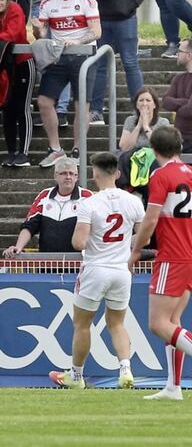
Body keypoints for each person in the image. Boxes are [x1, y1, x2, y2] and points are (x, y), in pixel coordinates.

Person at [129, 126, 192, 401]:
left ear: (153, 149)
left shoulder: (161, 175)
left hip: (173, 256)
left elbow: (150, 219)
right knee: (173, 322)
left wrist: (136, 250)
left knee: (158, 323)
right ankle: (174, 386)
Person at [48, 152, 145, 390]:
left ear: (94, 173)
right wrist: (122, 243)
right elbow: (144, 235)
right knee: (117, 323)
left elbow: (79, 243)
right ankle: (125, 370)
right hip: (121, 270)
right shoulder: (133, 201)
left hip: (95, 269)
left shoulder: (89, 202)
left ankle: (77, 376)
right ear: (118, 173)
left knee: (82, 324)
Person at [34, 0, 101, 168]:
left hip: (84, 54)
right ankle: (55, 149)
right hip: (59, 55)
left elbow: (97, 31)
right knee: (44, 101)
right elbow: (42, 33)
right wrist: (37, 30)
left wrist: (78, 41)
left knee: (82, 105)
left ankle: (77, 149)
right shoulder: (47, 2)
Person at [4, 157, 92, 257]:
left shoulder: (87, 197)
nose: (68, 177)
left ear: (76, 177)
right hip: (47, 263)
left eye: (71, 174)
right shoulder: (44, 196)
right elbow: (30, 226)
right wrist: (18, 247)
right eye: (63, 173)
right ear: (55, 176)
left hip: (78, 263)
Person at [0, 0, 35, 168]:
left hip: (22, 63)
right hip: (4, 66)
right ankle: (12, 152)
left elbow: (11, 34)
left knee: (22, 108)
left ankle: (25, 153)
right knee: (7, 110)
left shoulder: (15, 9)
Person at [119, 86, 171, 151]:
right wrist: (138, 126)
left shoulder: (163, 122)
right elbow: (124, 148)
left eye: (148, 100)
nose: (144, 104)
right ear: (137, 105)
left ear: (154, 105)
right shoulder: (130, 120)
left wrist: (146, 126)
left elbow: (161, 147)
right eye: (141, 100)